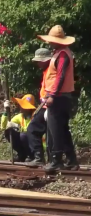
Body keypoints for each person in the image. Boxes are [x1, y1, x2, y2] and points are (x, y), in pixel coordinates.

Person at [37, 25, 79, 172]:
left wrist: (52, 95)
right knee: (62, 129)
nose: (50, 43)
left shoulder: (62, 55)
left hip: (59, 97)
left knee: (55, 129)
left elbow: (60, 77)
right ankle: (71, 160)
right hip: (61, 97)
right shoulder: (61, 52)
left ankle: (56, 161)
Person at [1, 94, 45, 162]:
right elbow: (3, 127)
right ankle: (22, 155)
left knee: (23, 136)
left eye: (24, 106)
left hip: (37, 145)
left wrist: (17, 126)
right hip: (26, 142)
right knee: (9, 131)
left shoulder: (36, 117)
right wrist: (5, 111)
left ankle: (32, 156)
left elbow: (30, 131)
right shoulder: (20, 116)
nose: (21, 107)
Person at [27, 48, 52, 166]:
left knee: (33, 129)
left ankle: (39, 158)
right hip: (45, 105)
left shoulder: (50, 70)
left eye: (39, 61)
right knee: (50, 133)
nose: (38, 63)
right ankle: (47, 158)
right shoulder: (46, 70)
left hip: (48, 105)